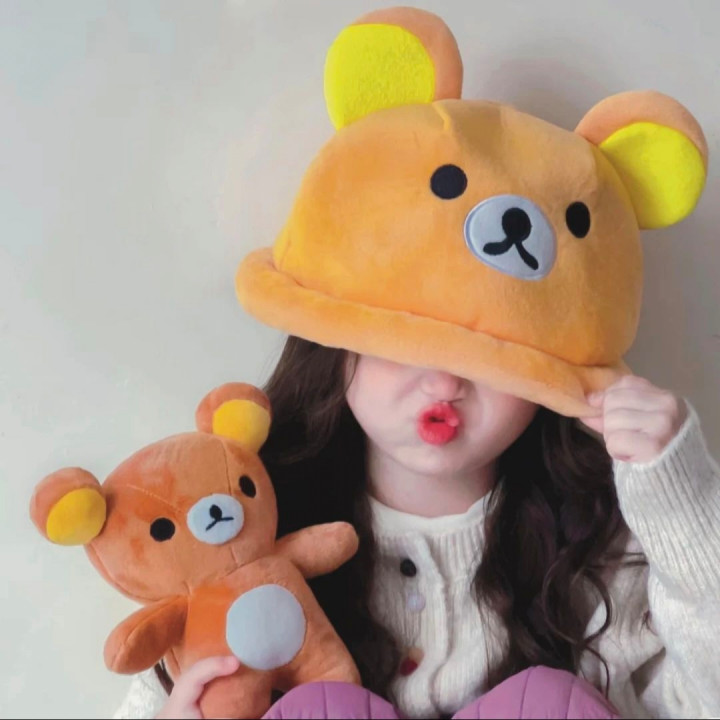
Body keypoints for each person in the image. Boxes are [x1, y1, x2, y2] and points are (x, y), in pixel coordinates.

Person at [114, 6, 720, 719]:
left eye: (496, 354)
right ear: (337, 334)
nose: (444, 381)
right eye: (409, 338)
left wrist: (682, 502)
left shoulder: (598, 545)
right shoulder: (243, 523)